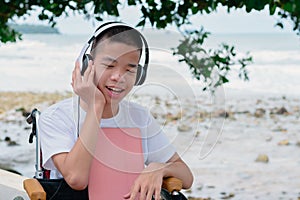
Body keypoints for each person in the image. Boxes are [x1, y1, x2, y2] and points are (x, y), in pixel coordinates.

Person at [39, 22, 193, 200]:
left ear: (140, 75)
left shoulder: (139, 117)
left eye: (129, 69)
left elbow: (187, 177)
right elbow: (76, 178)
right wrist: (96, 106)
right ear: (87, 64)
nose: (118, 77)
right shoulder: (55, 117)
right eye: (109, 66)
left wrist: (159, 168)